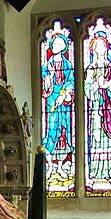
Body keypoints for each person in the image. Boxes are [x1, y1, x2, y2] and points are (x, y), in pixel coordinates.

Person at [84, 32, 111, 188]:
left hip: (108, 109)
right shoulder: (91, 68)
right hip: (96, 108)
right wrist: (96, 85)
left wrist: (108, 85)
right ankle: (96, 171)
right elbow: (87, 89)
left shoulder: (110, 67)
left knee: (107, 140)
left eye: (103, 46)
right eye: (97, 46)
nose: (100, 49)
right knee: (96, 140)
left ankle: (109, 171)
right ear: (93, 50)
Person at [41, 31, 75, 182]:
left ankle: (59, 167)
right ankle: (49, 167)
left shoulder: (68, 65)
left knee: (63, 132)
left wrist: (65, 94)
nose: (55, 46)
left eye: (59, 44)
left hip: (64, 102)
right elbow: (44, 86)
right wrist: (48, 80)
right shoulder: (46, 66)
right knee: (51, 131)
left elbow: (70, 82)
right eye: (54, 44)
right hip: (52, 101)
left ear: (64, 47)